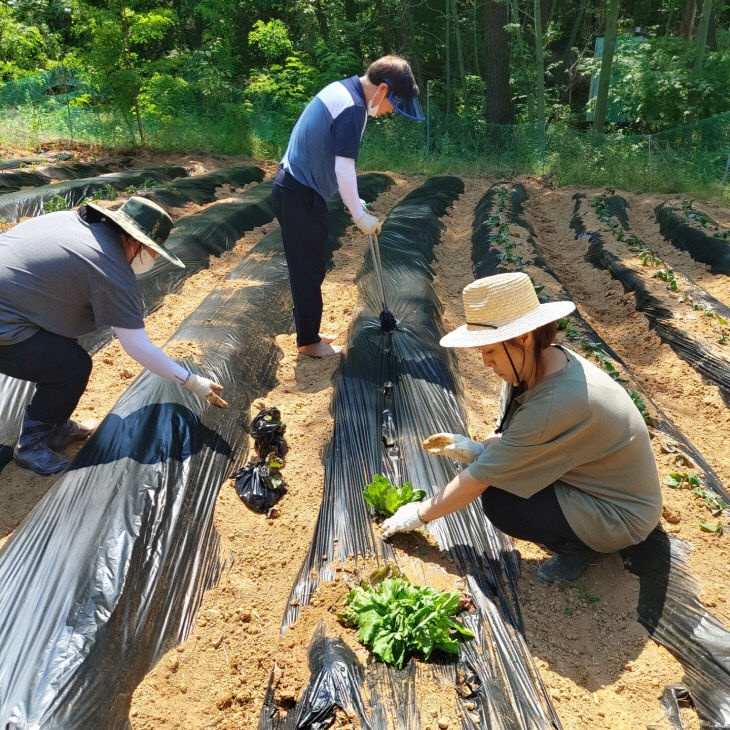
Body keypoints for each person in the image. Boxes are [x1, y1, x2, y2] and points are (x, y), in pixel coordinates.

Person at [382, 272, 662, 583]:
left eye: (490, 350)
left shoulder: (556, 402)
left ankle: (581, 548)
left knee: (503, 502)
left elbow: (480, 479)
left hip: (621, 516)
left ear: (523, 338)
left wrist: (419, 514)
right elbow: (512, 435)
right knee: (502, 478)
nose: (486, 361)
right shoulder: (541, 365)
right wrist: (477, 448)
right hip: (597, 484)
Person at [0, 196, 228, 477]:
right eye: (153, 251)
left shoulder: (70, 221)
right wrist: (192, 381)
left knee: (63, 340)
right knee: (71, 366)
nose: (152, 258)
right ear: (135, 241)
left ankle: (57, 426)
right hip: (6, 326)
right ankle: (31, 444)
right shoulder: (111, 268)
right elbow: (137, 347)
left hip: (14, 303)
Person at [273, 55, 424, 358]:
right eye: (392, 104)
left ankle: (310, 333)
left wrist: (355, 201)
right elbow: (343, 167)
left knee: (312, 266)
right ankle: (308, 343)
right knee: (306, 271)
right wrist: (357, 215)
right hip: (298, 192)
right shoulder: (353, 107)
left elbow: (331, 159)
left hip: (298, 189)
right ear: (382, 90)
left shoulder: (345, 90)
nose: (389, 111)